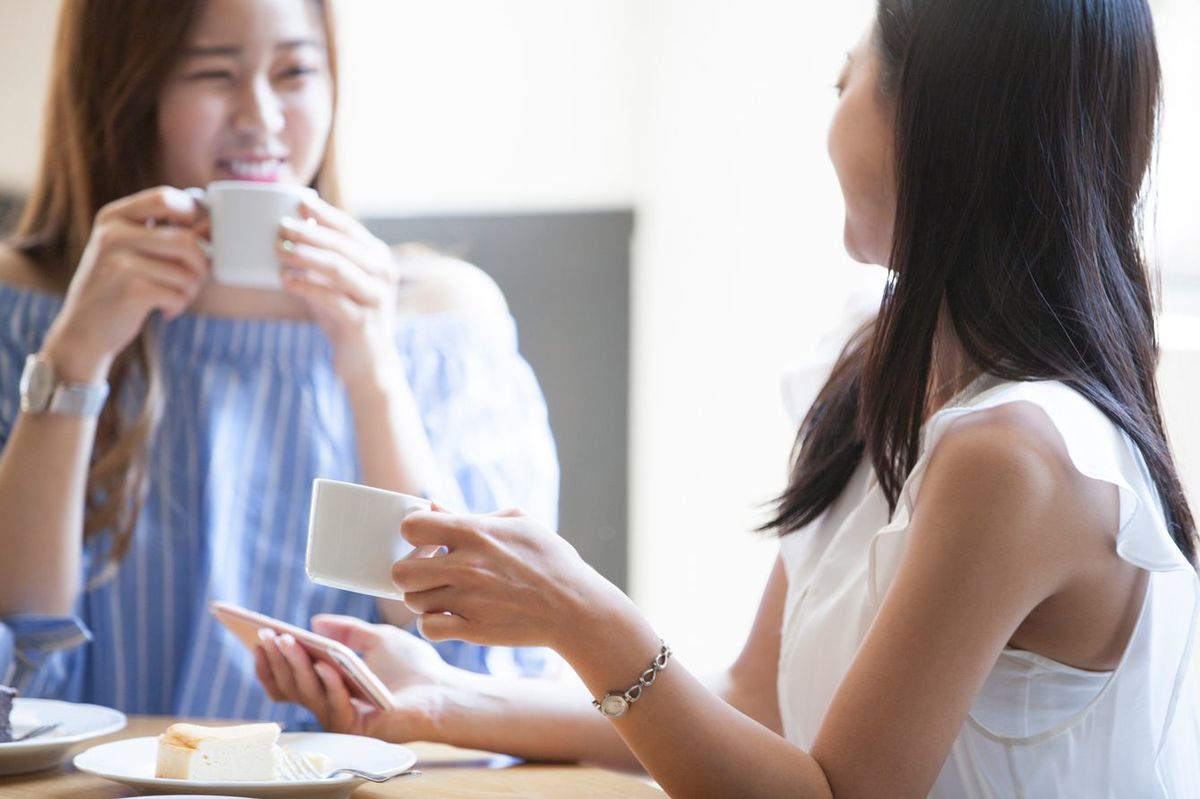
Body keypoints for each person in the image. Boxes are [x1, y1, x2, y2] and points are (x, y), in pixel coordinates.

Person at [258, 0, 1200, 795]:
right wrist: (446, 701)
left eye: (846, 82)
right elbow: (756, 699)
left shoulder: (1017, 457)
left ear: (937, 125)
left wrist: (583, 612)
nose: (830, 117)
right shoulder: (878, 365)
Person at [0, 0, 559, 728]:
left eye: (295, 70)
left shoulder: (440, 320)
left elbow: (484, 667)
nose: (260, 116)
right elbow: (17, 659)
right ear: (123, 94)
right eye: (212, 73)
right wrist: (74, 358)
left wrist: (371, 368)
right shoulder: (24, 310)